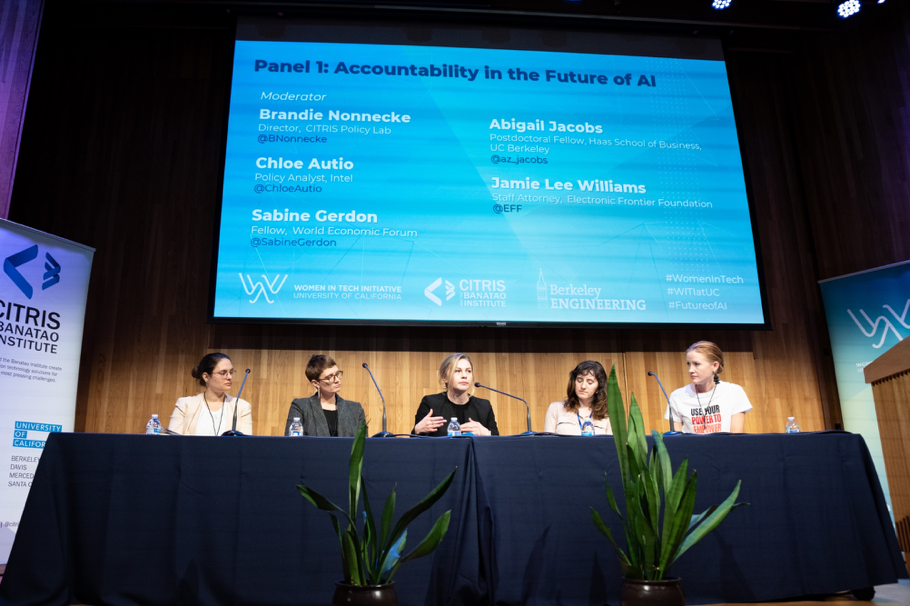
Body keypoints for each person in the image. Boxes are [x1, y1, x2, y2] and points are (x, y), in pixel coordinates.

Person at [665, 341, 752, 434]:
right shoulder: (677, 396)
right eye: (689, 364)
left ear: (715, 366)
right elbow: (677, 441)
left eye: (696, 364)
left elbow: (736, 438)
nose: (690, 370)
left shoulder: (734, 392)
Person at [413, 353, 499, 436]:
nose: (464, 375)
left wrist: (487, 433)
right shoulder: (430, 403)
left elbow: (498, 445)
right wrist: (417, 431)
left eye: (468, 371)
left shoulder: (484, 407)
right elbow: (415, 444)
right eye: (458, 371)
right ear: (444, 377)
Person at [169, 352, 253, 435]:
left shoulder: (241, 407)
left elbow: (245, 444)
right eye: (223, 373)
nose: (229, 377)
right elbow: (173, 441)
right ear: (206, 377)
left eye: (231, 372)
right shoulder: (185, 405)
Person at [285, 354, 366, 436]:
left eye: (337, 374)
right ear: (316, 383)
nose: (337, 380)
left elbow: (363, 445)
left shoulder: (355, 409)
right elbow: (291, 444)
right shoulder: (301, 407)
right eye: (329, 377)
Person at [544, 360, 612, 435]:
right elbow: (547, 443)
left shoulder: (607, 414)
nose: (583, 386)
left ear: (599, 387)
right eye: (579, 380)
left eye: (589, 382)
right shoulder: (555, 408)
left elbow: (611, 445)